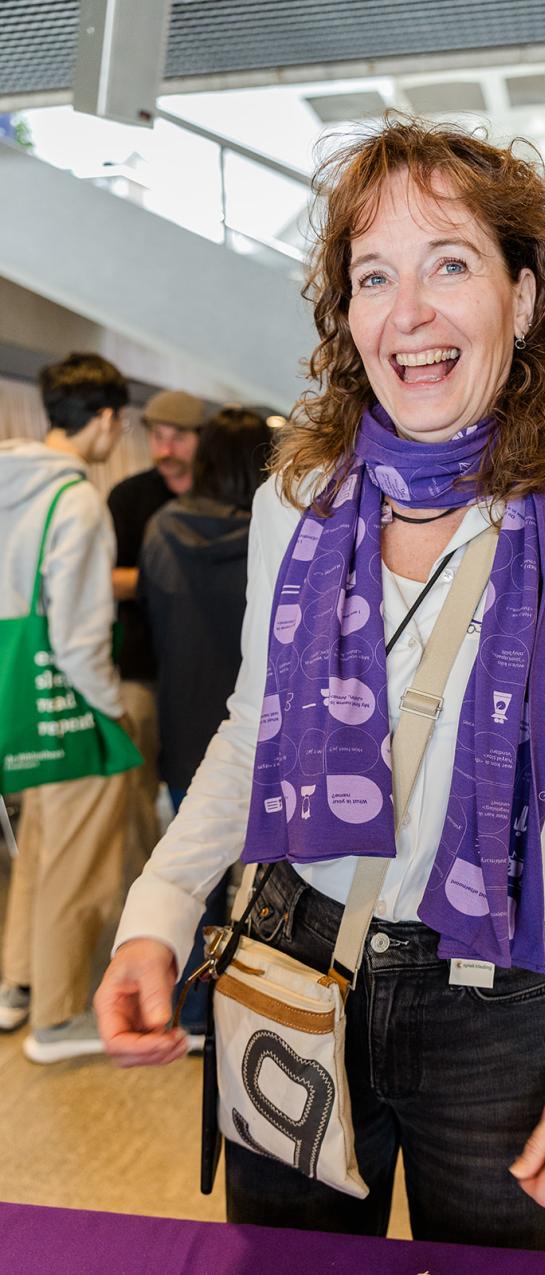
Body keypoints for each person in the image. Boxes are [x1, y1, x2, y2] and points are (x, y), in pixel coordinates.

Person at [95, 119, 545, 1255]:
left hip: (508, 1003)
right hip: (288, 954)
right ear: (346, 314)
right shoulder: (301, 496)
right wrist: (160, 912)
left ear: (523, 298)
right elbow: (249, 733)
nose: (408, 311)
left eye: (450, 264)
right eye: (374, 275)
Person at [0, 352, 130, 1062]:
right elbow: (80, 637)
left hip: (21, 702)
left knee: (38, 850)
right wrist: (112, 709)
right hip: (73, 705)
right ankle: (54, 1019)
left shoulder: (10, 484)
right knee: (75, 865)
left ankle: (16, 985)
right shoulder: (76, 500)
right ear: (106, 419)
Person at [137, 406, 273, 1036]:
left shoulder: (163, 528)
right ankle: (243, 1010)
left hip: (184, 716)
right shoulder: (276, 534)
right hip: (260, 732)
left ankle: (189, 1014)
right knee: (261, 886)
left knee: (195, 873)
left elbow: (154, 622)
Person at [107, 389, 206, 877]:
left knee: (204, 790)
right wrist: (174, 577)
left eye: (178, 438)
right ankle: (143, 898)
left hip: (209, 673)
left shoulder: (222, 492)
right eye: (157, 438)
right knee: (137, 794)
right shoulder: (130, 497)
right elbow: (108, 580)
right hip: (143, 669)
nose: (166, 450)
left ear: (200, 440)